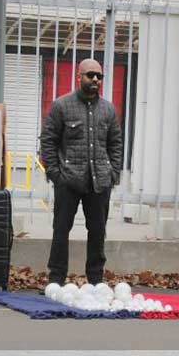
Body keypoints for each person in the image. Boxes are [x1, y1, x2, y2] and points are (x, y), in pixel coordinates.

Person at [40, 59, 123, 285]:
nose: (95, 79)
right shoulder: (61, 106)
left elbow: (115, 143)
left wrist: (113, 173)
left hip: (99, 182)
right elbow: (48, 141)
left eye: (99, 76)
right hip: (69, 180)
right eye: (90, 75)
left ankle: (96, 281)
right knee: (61, 231)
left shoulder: (108, 109)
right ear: (79, 77)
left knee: (97, 233)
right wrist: (56, 175)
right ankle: (56, 280)